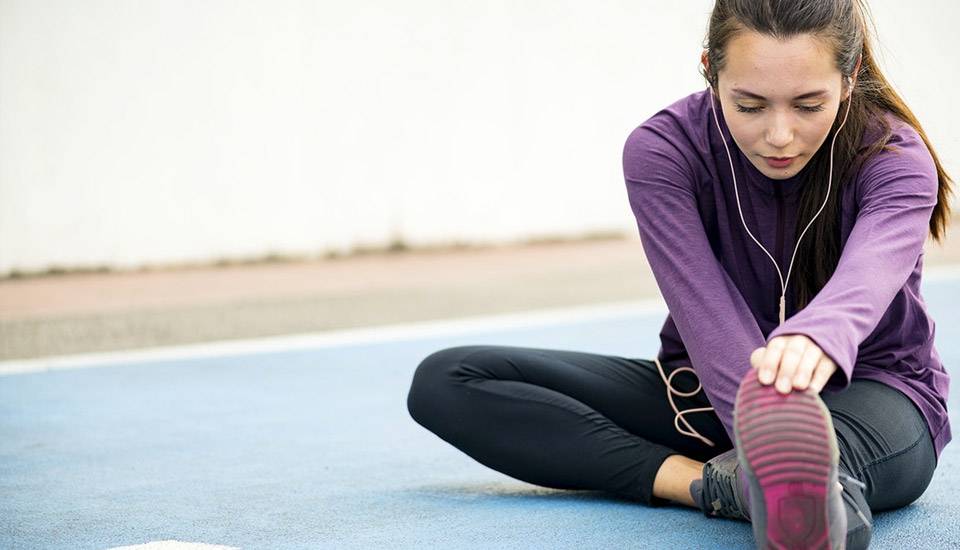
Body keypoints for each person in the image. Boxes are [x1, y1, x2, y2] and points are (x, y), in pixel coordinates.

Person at [405, 1, 953, 548]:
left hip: (875, 395)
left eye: (809, 105)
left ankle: (784, 485)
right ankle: (708, 483)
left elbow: (867, 277)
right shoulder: (663, 151)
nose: (780, 135)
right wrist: (763, 428)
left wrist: (818, 336)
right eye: (750, 105)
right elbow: (704, 310)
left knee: (804, 476)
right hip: (711, 395)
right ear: (710, 71)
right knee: (447, 380)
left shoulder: (894, 158)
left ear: (850, 77)